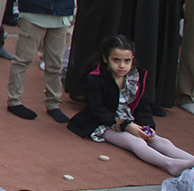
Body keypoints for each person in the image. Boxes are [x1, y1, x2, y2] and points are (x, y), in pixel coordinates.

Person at [69, 36, 194, 176]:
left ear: (132, 59)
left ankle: (192, 161)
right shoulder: (96, 78)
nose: (122, 65)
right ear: (105, 58)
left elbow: (143, 106)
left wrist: (148, 126)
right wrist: (126, 125)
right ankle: (170, 164)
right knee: (136, 142)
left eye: (127, 60)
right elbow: (97, 110)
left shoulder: (135, 76)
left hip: (129, 120)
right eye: (116, 60)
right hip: (103, 123)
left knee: (158, 140)